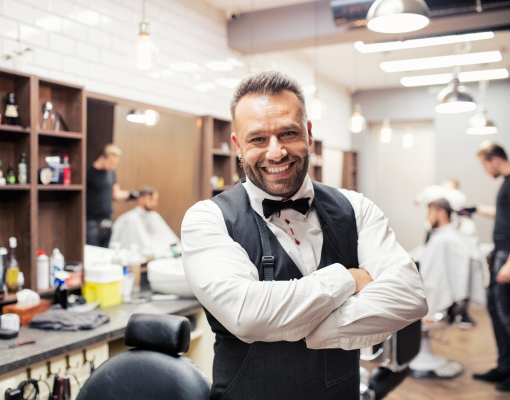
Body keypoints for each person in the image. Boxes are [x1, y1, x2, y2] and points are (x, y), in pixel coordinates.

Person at [181, 71, 427, 400]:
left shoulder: (356, 208)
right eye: (257, 139)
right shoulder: (207, 219)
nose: (276, 152)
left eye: (288, 133)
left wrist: (296, 328)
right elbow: (246, 315)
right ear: (238, 146)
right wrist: (349, 280)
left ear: (308, 134)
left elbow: (410, 297)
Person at [471, 142, 510, 392]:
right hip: (500, 255)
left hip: (508, 257)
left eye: (485, 165)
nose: (486, 171)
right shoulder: (509, 183)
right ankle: (503, 367)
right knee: (498, 312)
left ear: (495, 160)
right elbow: (505, 215)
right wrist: (476, 209)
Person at [413, 199, 484, 328]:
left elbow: (426, 271)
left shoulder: (443, 240)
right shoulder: (446, 237)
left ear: (441, 213)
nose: (427, 217)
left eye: (430, 212)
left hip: (436, 301)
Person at [109, 185, 181, 258]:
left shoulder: (154, 216)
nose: (154, 203)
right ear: (141, 199)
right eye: (151, 199)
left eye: (155, 200)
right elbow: (143, 244)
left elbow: (167, 238)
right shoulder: (132, 218)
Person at [86, 144, 131, 248]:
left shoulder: (111, 173)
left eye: (115, 164)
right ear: (102, 158)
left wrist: (131, 195)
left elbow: (115, 194)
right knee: (94, 250)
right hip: (91, 221)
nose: (113, 166)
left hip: (107, 219)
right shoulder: (89, 173)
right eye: (111, 162)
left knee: (106, 251)